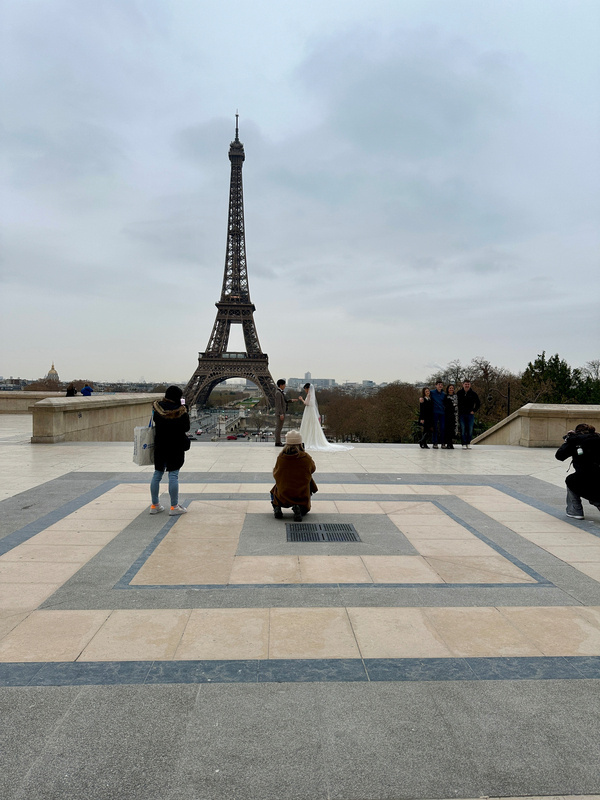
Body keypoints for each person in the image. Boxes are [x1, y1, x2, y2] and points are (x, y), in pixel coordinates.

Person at [149, 385, 190, 516]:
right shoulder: (181, 411)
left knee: (157, 474)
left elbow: (156, 422)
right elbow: (186, 428)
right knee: (173, 475)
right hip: (175, 446)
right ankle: (174, 506)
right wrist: (186, 411)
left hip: (160, 444)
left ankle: (154, 505)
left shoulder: (157, 409)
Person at [555, 423, 600, 520]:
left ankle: (575, 510)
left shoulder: (575, 442)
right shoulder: (598, 438)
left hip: (585, 477)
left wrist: (568, 440)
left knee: (571, 480)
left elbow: (559, 456)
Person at [271, 429, 318, 521]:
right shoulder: (305, 457)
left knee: (274, 490)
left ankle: (277, 507)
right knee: (309, 482)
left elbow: (276, 473)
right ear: (300, 443)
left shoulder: (281, 457)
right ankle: (299, 508)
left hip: (283, 494)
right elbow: (312, 469)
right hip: (301, 493)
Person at [298, 383, 353, 452]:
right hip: (311, 411)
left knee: (307, 424)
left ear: (307, 388)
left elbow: (307, 403)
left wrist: (302, 399)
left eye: (305, 389)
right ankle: (312, 439)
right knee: (312, 425)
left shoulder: (309, 394)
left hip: (308, 411)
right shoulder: (311, 395)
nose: (305, 391)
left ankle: (307, 439)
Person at [456, 379, 480, 449]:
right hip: (462, 414)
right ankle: (463, 443)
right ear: (463, 384)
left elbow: (478, 403)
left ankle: (468, 443)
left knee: (470, 429)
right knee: (463, 429)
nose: (467, 385)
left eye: (468, 384)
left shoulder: (473, 394)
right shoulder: (459, 393)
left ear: (470, 385)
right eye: (465, 384)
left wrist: (474, 410)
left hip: (470, 414)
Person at [274, 379, 290, 447]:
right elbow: (278, 404)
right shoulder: (278, 393)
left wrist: (291, 400)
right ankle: (278, 442)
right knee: (278, 428)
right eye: (284, 385)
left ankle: (278, 441)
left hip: (281, 413)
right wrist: (281, 414)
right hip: (280, 413)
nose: (285, 386)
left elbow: (284, 401)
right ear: (281, 385)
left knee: (279, 428)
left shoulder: (280, 392)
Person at [430, 380, 446, 449]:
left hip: (442, 413)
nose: (440, 386)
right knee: (435, 428)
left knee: (442, 428)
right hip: (435, 412)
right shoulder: (432, 392)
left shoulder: (444, 394)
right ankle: (435, 442)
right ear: (436, 385)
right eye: (439, 384)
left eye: (441, 385)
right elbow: (426, 395)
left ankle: (443, 443)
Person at [444, 384, 459, 449]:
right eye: (450, 388)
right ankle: (448, 443)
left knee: (453, 429)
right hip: (447, 415)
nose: (451, 389)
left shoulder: (456, 396)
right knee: (448, 429)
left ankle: (451, 443)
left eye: (452, 388)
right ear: (448, 389)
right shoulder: (445, 396)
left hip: (455, 415)